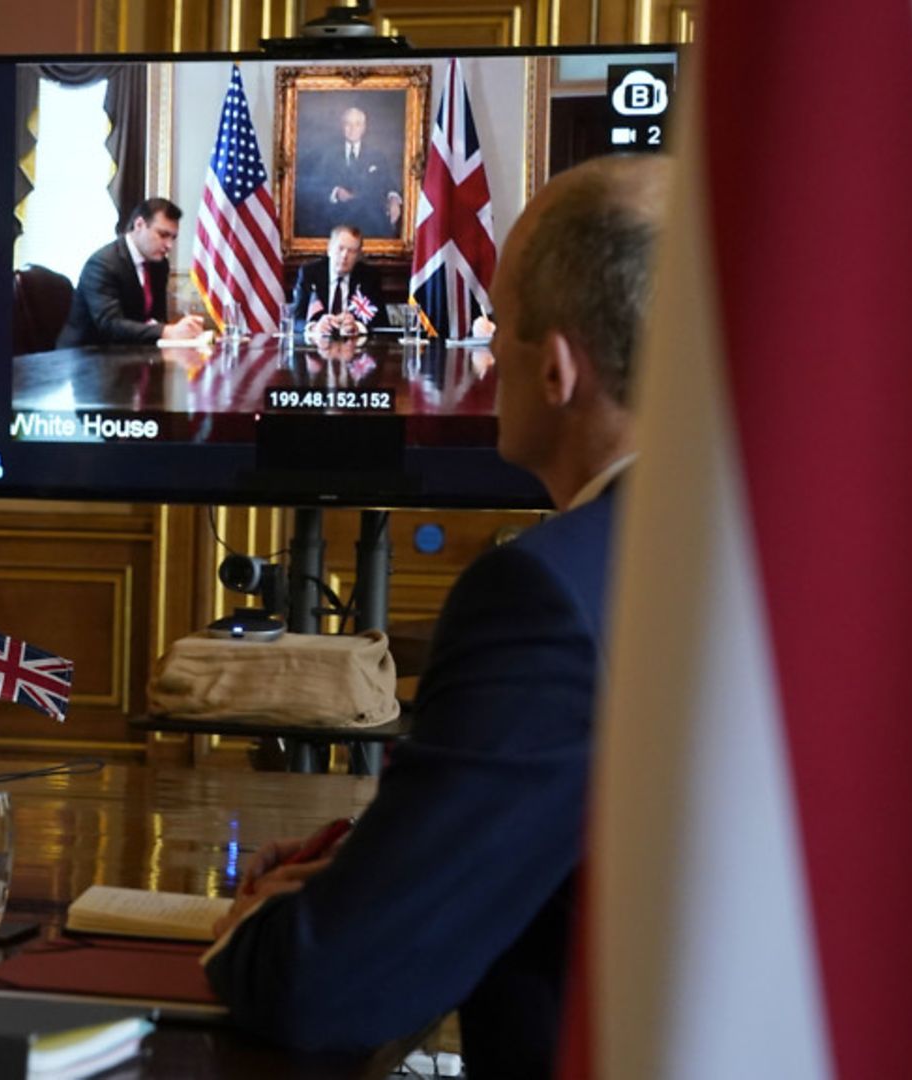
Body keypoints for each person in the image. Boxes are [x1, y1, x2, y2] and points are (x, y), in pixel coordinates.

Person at [204, 153, 671, 1077]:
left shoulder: (546, 596)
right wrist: (381, 866)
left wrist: (255, 922)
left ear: (557, 372)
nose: (487, 351)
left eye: (502, 327)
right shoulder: (766, 559)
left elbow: (328, 985)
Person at [56, 197, 205, 348]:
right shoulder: (103, 264)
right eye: (163, 235)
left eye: (173, 237)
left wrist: (180, 333)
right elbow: (110, 325)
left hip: (131, 353)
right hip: (86, 356)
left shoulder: (159, 265)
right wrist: (166, 332)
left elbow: (157, 317)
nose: (169, 245)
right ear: (139, 224)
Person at [298, 106, 404, 239]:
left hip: (369, 222)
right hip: (335, 222)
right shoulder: (326, 155)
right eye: (348, 124)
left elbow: (388, 184)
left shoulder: (377, 156)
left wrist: (394, 200)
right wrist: (335, 192)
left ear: (364, 128)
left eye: (357, 124)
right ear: (342, 126)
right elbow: (312, 186)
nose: (353, 129)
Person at [289, 224, 390, 340]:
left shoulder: (369, 276)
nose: (344, 256)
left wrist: (357, 326)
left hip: (355, 350)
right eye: (340, 248)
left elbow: (382, 322)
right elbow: (295, 320)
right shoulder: (309, 273)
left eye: (352, 251)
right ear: (329, 249)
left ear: (358, 256)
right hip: (316, 348)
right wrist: (314, 327)